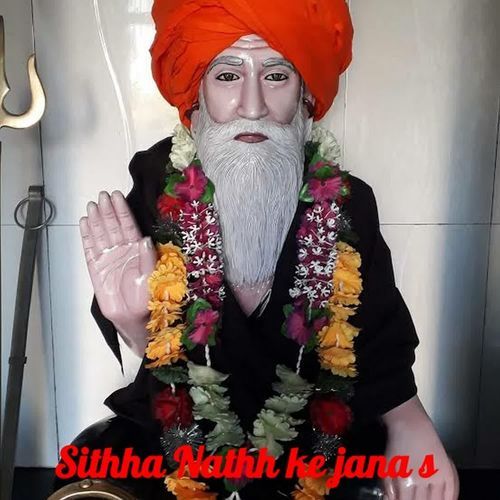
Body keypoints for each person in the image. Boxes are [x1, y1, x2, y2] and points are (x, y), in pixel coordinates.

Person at [56, 1, 459, 499]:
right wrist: (136, 322)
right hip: (183, 438)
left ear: (306, 95)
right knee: (89, 470)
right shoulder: (159, 191)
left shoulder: (346, 204)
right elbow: (162, 363)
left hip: (314, 440)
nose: (252, 105)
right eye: (227, 76)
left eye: (276, 76)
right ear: (197, 95)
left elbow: (380, 339)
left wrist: (408, 421)